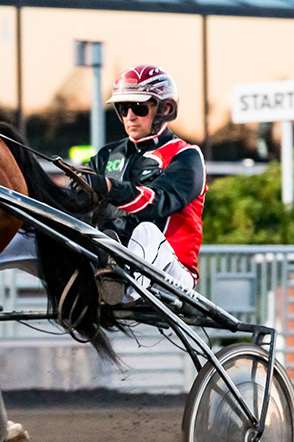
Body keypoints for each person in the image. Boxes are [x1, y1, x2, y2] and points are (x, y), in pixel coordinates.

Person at [73, 65, 206, 305]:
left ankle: (120, 289)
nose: (129, 116)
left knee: (147, 231)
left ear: (165, 108)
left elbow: (160, 202)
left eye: (139, 107)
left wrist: (109, 187)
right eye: (123, 109)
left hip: (172, 272)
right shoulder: (107, 155)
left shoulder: (186, 156)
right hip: (110, 256)